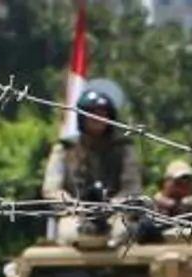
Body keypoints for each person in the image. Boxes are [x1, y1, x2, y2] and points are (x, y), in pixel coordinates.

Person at [42, 87, 142, 242]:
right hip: (75, 214)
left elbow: (132, 188)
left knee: (120, 234)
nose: (98, 118)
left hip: (114, 214)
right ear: (82, 118)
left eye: (103, 114)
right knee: (70, 236)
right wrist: (75, 206)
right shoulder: (64, 149)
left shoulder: (123, 149)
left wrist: (112, 205)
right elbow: (51, 189)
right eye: (92, 114)